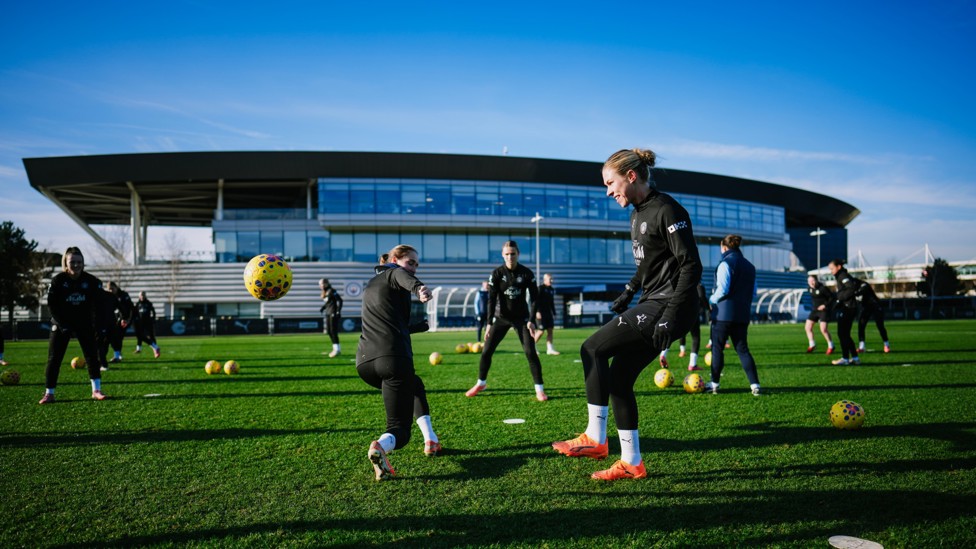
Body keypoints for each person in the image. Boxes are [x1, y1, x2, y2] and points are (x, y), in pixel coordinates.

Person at [552, 148, 703, 481]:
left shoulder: (667, 209)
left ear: (631, 176)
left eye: (611, 182)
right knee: (619, 381)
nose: (608, 191)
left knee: (591, 348)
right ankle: (632, 462)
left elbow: (691, 265)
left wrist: (669, 316)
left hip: (670, 305)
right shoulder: (636, 214)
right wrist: (629, 290)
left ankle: (595, 437)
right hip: (653, 301)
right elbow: (650, 264)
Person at [356, 244, 439, 481]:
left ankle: (431, 440)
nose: (413, 267)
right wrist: (420, 288)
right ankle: (381, 445)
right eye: (410, 262)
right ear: (394, 260)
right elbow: (402, 276)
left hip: (364, 363)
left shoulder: (373, 284)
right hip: (392, 360)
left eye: (416, 264)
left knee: (414, 385)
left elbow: (391, 326)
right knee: (399, 431)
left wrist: (417, 327)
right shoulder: (394, 273)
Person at [465, 240, 547, 401]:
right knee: (486, 351)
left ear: (518, 254)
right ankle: (481, 383)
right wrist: (488, 323)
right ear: (503, 255)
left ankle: (540, 389)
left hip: (522, 319)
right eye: (507, 254)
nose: (510, 257)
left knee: (530, 352)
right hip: (501, 318)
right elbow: (491, 299)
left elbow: (535, 299)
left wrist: (531, 320)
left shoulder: (527, 273)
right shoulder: (496, 274)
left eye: (513, 254)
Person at [39, 247, 108, 403]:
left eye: (79, 262)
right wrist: (63, 324)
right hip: (61, 323)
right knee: (54, 358)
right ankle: (49, 393)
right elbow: (52, 306)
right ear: (65, 262)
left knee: (92, 356)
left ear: (83, 263)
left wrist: (100, 326)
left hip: (84, 323)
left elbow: (100, 306)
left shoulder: (92, 281)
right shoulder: (58, 281)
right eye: (72, 262)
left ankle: (96, 390)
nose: (76, 265)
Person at [704, 235, 761, 396]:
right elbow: (754, 292)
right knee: (743, 350)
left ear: (724, 247)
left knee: (717, 349)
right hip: (742, 314)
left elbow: (723, 289)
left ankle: (714, 384)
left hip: (722, 314)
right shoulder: (750, 266)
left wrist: (711, 299)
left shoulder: (725, 263)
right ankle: (755, 385)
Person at [660, 282, 708, 371]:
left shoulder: (680, 282)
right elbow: (701, 296)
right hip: (692, 312)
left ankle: (663, 354)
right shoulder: (698, 284)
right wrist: (707, 308)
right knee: (696, 337)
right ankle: (692, 364)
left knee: (675, 335)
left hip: (679, 312)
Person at [828, 259, 861, 365]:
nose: (831, 271)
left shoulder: (842, 275)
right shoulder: (840, 276)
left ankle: (845, 358)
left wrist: (840, 298)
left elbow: (851, 288)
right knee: (845, 334)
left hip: (849, 308)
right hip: (848, 307)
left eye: (832, 268)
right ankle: (855, 359)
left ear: (838, 267)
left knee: (842, 333)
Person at [804, 275, 836, 355]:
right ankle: (812, 345)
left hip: (824, 311)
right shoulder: (809, 289)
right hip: (815, 310)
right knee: (807, 328)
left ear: (816, 280)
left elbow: (832, 298)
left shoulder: (823, 289)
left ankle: (831, 346)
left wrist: (825, 305)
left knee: (823, 329)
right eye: (809, 281)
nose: (811, 282)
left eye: (813, 280)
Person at [856, 281, 891, 353]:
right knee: (861, 325)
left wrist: (853, 293)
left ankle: (886, 344)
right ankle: (861, 347)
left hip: (875, 305)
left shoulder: (863, 284)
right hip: (866, 308)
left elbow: (862, 290)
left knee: (880, 326)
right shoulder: (851, 288)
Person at [532, 273, 561, 355]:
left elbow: (551, 303)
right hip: (540, 314)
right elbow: (535, 301)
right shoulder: (540, 288)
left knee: (550, 331)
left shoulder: (551, 289)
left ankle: (550, 349)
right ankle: (532, 347)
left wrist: (554, 313)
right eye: (550, 279)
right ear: (545, 280)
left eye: (552, 279)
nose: (551, 280)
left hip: (548, 314)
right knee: (541, 331)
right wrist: (537, 311)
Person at [319, 278, 344, 358]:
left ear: (326, 283)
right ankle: (335, 349)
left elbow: (340, 300)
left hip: (333, 313)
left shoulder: (332, 290)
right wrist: (323, 308)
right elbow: (328, 303)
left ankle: (337, 350)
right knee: (329, 332)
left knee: (333, 331)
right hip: (328, 313)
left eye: (322, 283)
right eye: (320, 284)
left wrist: (338, 311)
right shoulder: (325, 292)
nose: (321, 285)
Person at [133, 291, 161, 358]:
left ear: (145, 296)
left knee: (151, 336)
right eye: (141, 295)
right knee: (140, 336)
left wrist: (153, 319)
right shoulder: (137, 304)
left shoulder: (148, 303)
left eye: (143, 295)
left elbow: (153, 312)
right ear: (139, 296)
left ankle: (155, 349)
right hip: (140, 323)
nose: (142, 296)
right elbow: (135, 313)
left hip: (148, 322)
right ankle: (138, 348)